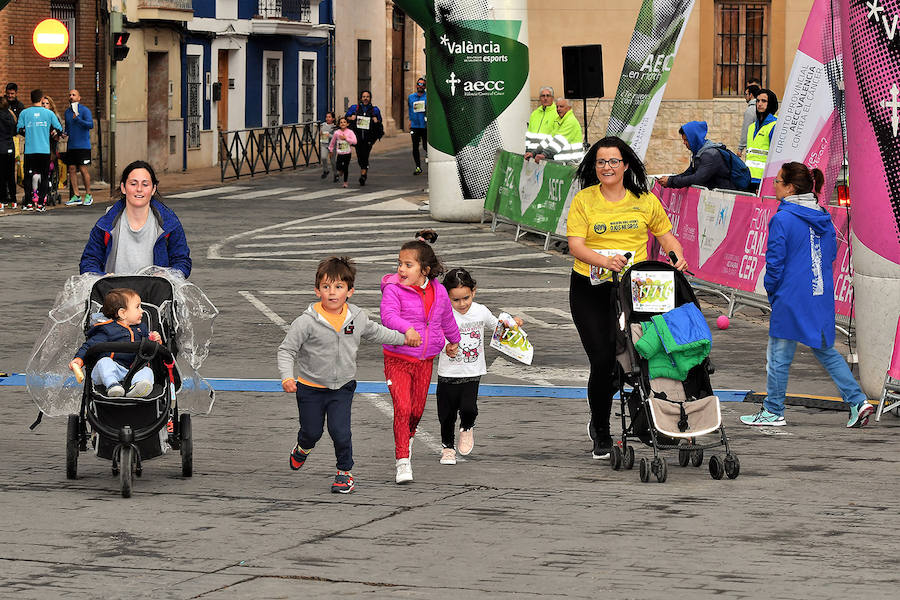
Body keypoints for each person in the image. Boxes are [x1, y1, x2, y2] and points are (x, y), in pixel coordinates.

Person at [566, 136, 687, 460]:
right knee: (603, 359)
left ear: (626, 165)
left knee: (641, 357)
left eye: (613, 162)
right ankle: (602, 432)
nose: (607, 167)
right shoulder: (585, 200)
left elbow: (667, 237)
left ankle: (652, 421)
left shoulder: (644, 200)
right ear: (595, 167)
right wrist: (605, 261)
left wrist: (677, 256)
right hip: (590, 289)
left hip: (637, 290)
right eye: (601, 162)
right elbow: (576, 244)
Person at [740, 162, 874, 428]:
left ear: (790, 188)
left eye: (778, 181)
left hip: (790, 297)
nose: (774, 185)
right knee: (825, 351)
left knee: (778, 356)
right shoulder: (822, 214)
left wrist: (772, 291)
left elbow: (775, 262)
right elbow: (831, 254)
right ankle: (858, 401)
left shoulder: (782, 218)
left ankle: (773, 410)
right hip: (820, 293)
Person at [277, 256, 416, 494]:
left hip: (342, 387)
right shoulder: (305, 322)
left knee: (340, 431)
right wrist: (287, 377)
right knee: (312, 432)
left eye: (339, 287)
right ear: (317, 290)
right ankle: (303, 447)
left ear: (350, 291)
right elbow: (286, 350)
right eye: (326, 287)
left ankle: (344, 472)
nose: (332, 292)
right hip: (310, 388)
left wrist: (404, 338)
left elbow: (377, 332)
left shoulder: (357, 318)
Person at [380, 229, 461, 484]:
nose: (401, 270)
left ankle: (408, 436)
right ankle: (403, 460)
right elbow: (388, 316)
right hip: (397, 358)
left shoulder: (438, 293)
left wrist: (454, 341)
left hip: (425, 361)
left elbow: (446, 319)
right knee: (402, 408)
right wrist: (406, 329)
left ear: (425, 270)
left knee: (415, 411)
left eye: (408, 265)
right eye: (399, 264)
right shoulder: (393, 290)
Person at [436, 268, 522, 465]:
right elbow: (435, 335)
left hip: (473, 371)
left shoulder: (480, 311)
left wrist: (512, 323)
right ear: (446, 296)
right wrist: (444, 346)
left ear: (474, 291)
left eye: (466, 298)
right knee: (446, 414)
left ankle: (467, 427)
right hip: (448, 372)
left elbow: (497, 325)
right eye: (455, 300)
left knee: (468, 408)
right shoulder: (443, 313)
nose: (462, 304)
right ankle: (447, 448)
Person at [79, 160, 192, 278]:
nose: (139, 189)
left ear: (153, 189)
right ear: (123, 188)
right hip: (116, 293)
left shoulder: (169, 224)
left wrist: (167, 275)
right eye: (133, 184)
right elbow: (89, 260)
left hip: (156, 293)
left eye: (145, 184)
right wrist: (102, 277)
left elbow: (182, 261)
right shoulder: (105, 224)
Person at [69, 288, 161, 399]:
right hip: (109, 372)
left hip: (132, 370)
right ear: (122, 313)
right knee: (105, 362)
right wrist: (79, 359)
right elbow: (90, 345)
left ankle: (138, 387)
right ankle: (112, 385)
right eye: (137, 307)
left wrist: (155, 341)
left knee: (147, 370)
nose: (142, 311)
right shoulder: (107, 329)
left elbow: (150, 349)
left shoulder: (141, 329)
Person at [17, 89, 63, 211]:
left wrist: (29, 133)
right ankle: (41, 204)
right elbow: (59, 128)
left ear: (30, 99)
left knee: (28, 176)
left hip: (29, 150)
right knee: (44, 176)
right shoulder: (49, 114)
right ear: (41, 98)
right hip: (44, 150)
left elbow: (19, 129)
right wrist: (52, 132)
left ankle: (28, 203)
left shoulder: (24, 113)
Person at [658, 121, 732, 190]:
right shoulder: (698, 153)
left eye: (686, 140)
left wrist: (670, 181)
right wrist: (669, 179)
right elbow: (688, 173)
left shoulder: (710, 155)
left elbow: (697, 178)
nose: (684, 143)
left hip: (727, 197)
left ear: (694, 139)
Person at [346, 90, 383, 186]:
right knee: (359, 155)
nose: (365, 98)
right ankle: (363, 169)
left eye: (367, 97)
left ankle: (363, 173)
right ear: (361, 98)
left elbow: (380, 121)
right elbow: (346, 118)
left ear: (370, 98)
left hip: (369, 137)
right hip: (357, 137)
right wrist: (351, 118)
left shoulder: (375, 110)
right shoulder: (355, 108)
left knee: (365, 154)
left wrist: (376, 120)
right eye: (364, 96)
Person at [63, 89, 94, 206]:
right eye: (70, 95)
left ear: (79, 98)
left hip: (83, 145)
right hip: (71, 145)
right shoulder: (67, 112)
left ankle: (88, 194)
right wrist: (64, 133)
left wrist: (79, 119)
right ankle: (76, 195)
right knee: (71, 169)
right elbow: (68, 127)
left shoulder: (85, 110)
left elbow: (90, 125)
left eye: (74, 95)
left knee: (83, 169)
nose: (71, 96)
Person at [746, 88, 778, 191]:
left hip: (764, 181)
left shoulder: (775, 125)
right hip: (749, 178)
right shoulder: (751, 127)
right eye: (758, 101)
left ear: (771, 103)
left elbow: (776, 156)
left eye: (764, 101)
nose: (759, 104)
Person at [41, 95, 66, 205]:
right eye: (42, 103)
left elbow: (59, 132)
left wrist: (55, 133)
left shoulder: (54, 116)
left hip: (51, 147)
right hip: (40, 147)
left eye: (46, 103)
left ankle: (51, 190)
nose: (44, 105)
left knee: (51, 169)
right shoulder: (38, 116)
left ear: (50, 105)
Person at [524, 86, 557, 158]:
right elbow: (529, 135)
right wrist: (528, 151)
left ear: (552, 98)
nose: (545, 98)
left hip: (546, 155)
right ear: (540, 98)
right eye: (543, 96)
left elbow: (555, 137)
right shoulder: (534, 114)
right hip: (531, 154)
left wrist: (545, 154)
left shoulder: (557, 113)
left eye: (548, 96)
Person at [328, 117, 357, 188]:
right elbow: (332, 142)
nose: (343, 123)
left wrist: (346, 138)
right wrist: (330, 150)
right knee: (338, 166)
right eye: (341, 122)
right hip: (340, 153)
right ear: (339, 124)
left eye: (344, 122)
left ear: (347, 124)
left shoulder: (350, 132)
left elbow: (355, 142)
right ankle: (340, 171)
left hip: (347, 153)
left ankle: (345, 182)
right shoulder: (337, 133)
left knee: (346, 168)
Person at [408, 77, 427, 175]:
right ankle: (418, 167)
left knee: (425, 146)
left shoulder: (428, 97)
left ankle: (429, 159)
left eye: (423, 85)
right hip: (415, 125)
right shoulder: (411, 97)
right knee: (415, 147)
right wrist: (410, 120)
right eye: (419, 84)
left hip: (424, 125)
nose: (421, 86)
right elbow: (410, 109)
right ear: (416, 85)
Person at [0, 97, 16, 210]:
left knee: (1, 175)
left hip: (0, 147)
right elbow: (15, 130)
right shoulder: (10, 115)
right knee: (10, 174)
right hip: (10, 147)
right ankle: (13, 200)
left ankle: (2, 200)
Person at [737, 84, 760, 158]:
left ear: (751, 95)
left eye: (746, 94)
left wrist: (740, 148)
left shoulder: (750, 110)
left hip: (752, 146)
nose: (745, 97)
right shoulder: (761, 108)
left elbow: (746, 129)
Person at [319, 111, 337, 182]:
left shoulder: (335, 127)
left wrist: (329, 135)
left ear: (333, 119)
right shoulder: (323, 125)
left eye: (329, 117)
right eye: (326, 117)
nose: (327, 118)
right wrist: (320, 133)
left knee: (333, 161)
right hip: (324, 144)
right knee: (323, 157)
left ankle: (336, 174)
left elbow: (335, 137)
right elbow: (321, 132)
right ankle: (325, 170)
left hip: (332, 146)